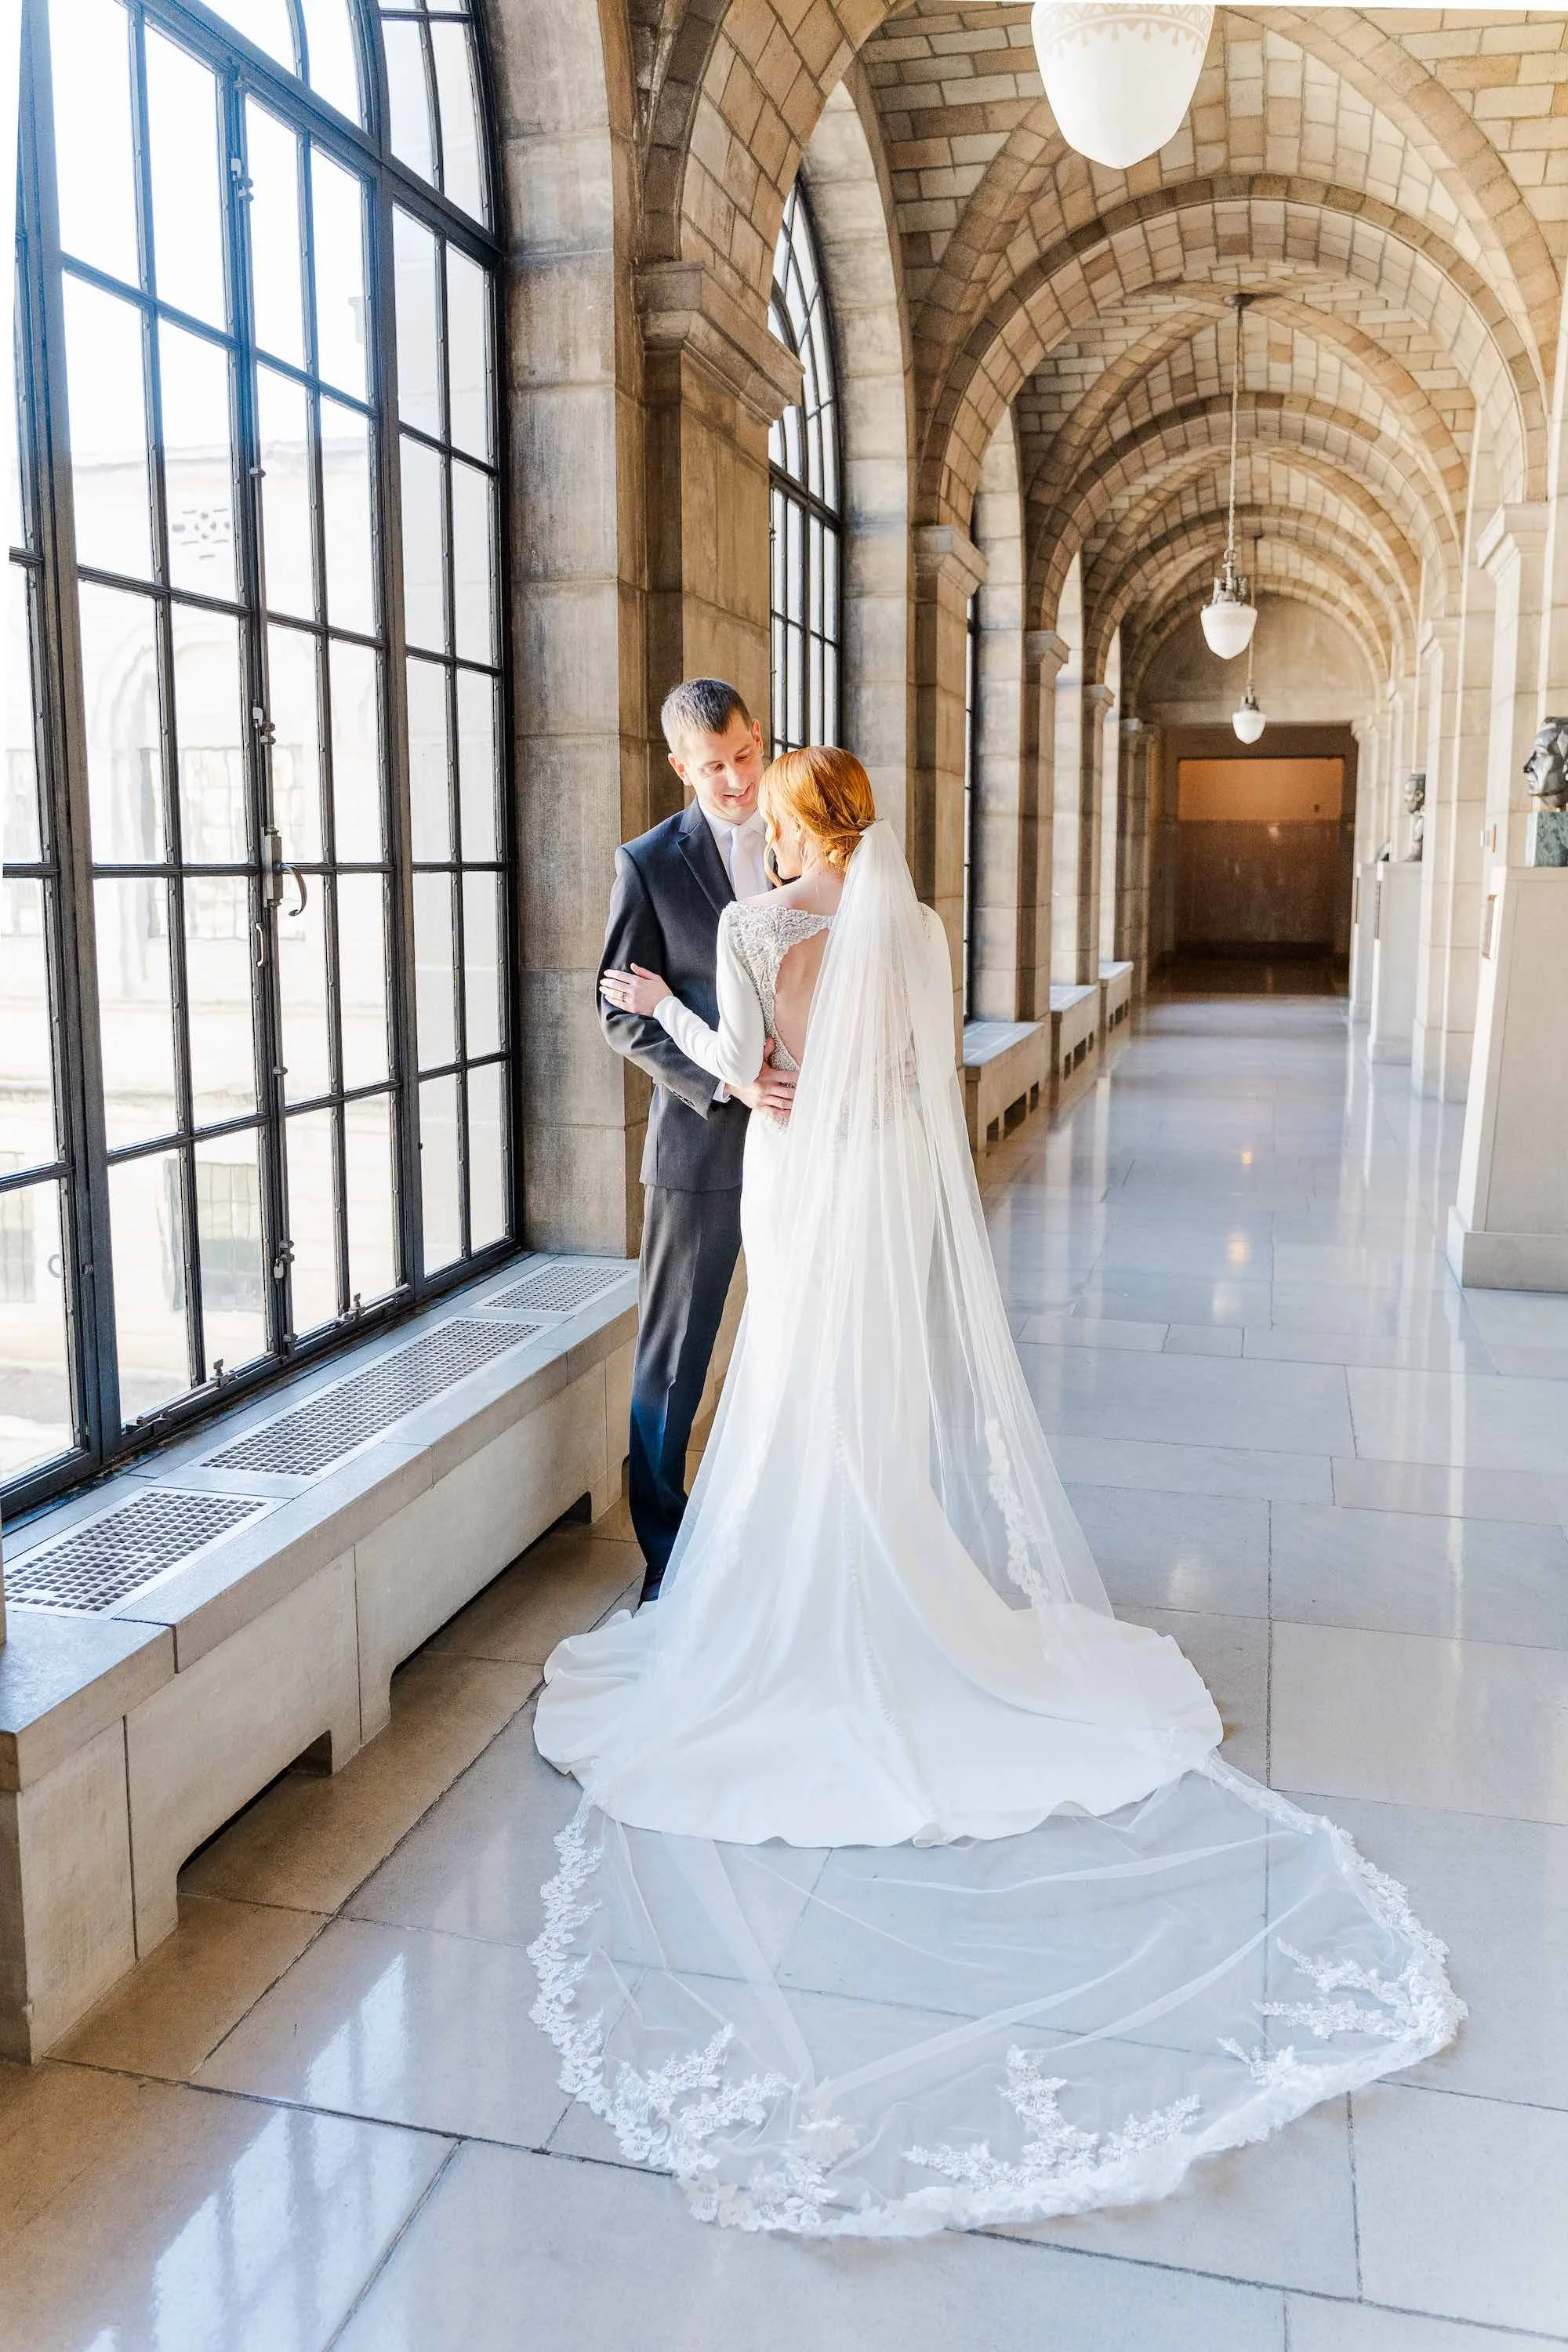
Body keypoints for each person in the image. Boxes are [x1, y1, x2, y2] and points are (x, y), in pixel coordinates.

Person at [535, 747, 1461, 2239]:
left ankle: (801, 1588)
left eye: (773, 818)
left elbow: (749, 1076)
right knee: (865, 1396)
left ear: (795, 827)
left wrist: (663, 1007)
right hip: (879, 1186)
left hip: (795, 1182)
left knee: (789, 1390)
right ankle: (891, 1575)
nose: (763, 839)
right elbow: (914, 1079)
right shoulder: (914, 927)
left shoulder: (756, 927)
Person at [597, 679, 797, 1606]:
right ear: (681, 767)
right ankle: (665, 1555)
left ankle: (797, 1534)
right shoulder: (646, 864)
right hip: (700, 1144)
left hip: (806, 1138)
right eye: (712, 766)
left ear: (760, 736)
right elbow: (618, 1014)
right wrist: (727, 1082)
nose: (735, 780)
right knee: (675, 1355)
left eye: (744, 755)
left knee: (809, 1334)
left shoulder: (808, 834)